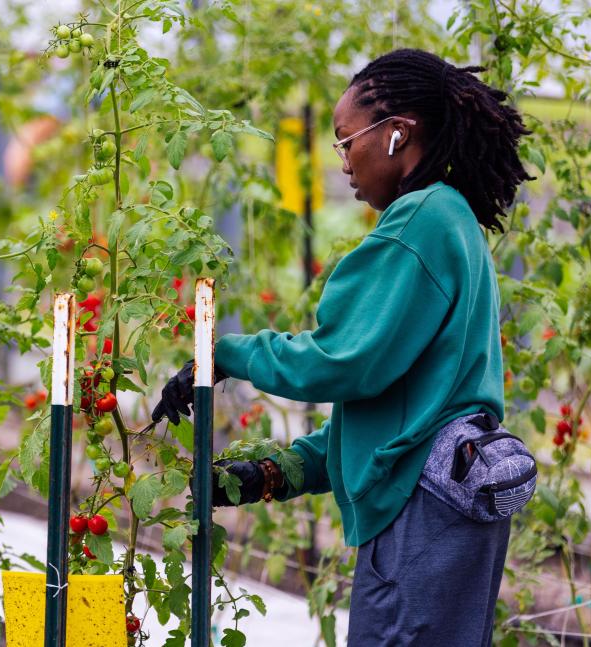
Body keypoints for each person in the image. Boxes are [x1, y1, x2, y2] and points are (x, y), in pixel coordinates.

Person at [151, 48, 534, 646]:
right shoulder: (449, 219)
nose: (345, 163)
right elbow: (402, 413)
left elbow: (343, 361)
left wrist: (226, 354)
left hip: (421, 516)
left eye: (345, 140)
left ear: (396, 134)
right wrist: (278, 473)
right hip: (448, 502)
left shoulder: (419, 223)